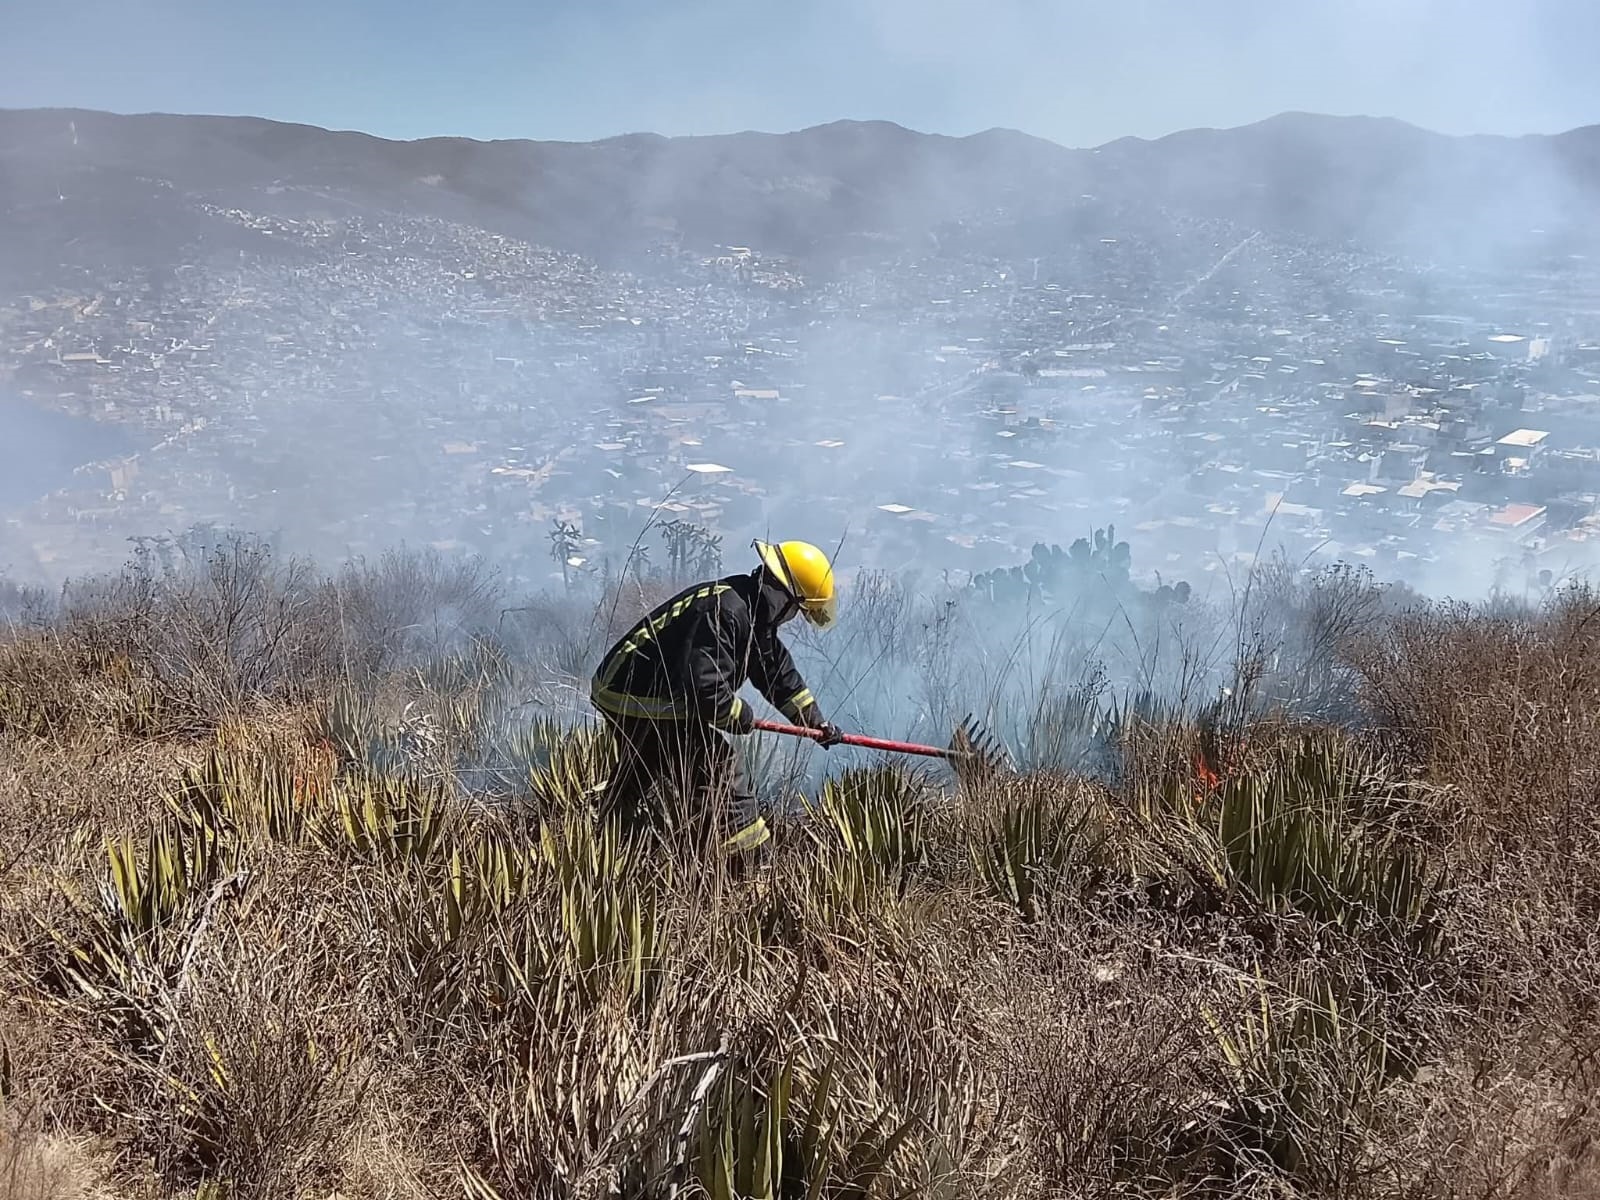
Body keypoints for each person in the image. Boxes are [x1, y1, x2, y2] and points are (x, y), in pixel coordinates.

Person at [590, 539, 844, 854]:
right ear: (782, 596)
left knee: (646, 764)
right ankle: (746, 861)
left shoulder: (751, 614)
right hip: (638, 696)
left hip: (638, 694)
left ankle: (602, 836)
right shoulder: (728, 611)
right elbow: (705, 689)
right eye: (796, 608)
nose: (793, 617)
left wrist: (816, 723)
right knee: (717, 765)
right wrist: (739, 715)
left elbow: (779, 676)